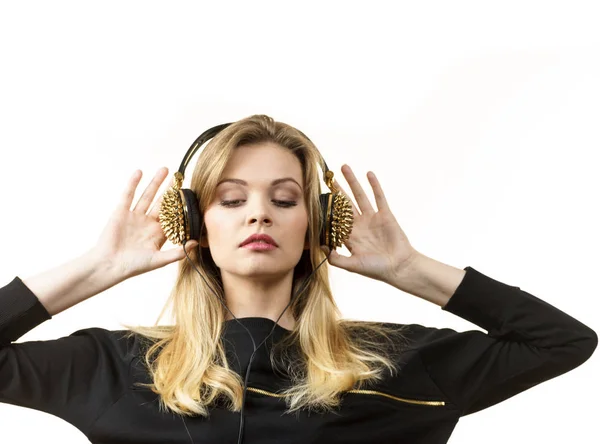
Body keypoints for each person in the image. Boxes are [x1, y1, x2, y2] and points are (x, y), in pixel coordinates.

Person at [0, 114, 596, 444]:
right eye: (231, 200)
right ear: (194, 223)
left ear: (318, 224)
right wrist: (98, 269)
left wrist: (409, 269)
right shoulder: (114, 366)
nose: (259, 213)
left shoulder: (396, 363)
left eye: (284, 199)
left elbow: (563, 341)